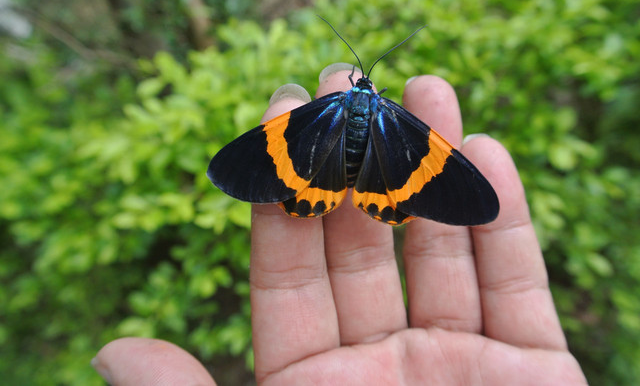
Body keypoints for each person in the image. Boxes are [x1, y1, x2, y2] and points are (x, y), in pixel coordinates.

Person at [92, 65, 588, 385]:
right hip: (381, 183)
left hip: (319, 174)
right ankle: (371, 194)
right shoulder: (395, 116)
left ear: (355, 89)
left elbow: (247, 163)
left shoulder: (323, 110)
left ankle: (321, 192)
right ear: (372, 91)